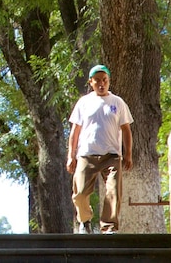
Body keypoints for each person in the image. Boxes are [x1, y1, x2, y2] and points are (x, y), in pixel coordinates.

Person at [66, 64, 134, 234]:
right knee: (80, 193)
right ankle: (85, 221)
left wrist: (128, 154)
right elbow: (75, 132)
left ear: (109, 81)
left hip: (111, 155)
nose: (102, 84)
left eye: (105, 80)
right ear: (91, 82)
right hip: (86, 154)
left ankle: (109, 227)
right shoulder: (84, 102)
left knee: (113, 191)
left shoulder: (117, 102)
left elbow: (126, 130)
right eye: (97, 81)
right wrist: (70, 156)